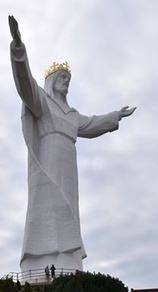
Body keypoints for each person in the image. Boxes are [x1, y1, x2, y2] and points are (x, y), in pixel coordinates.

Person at [8, 15, 135, 273]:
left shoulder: (72, 114)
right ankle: (42, 258)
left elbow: (92, 125)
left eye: (69, 79)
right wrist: (19, 49)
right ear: (53, 81)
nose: (67, 82)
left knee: (68, 206)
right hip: (49, 161)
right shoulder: (42, 102)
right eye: (63, 78)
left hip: (69, 163)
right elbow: (24, 84)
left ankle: (68, 260)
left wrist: (115, 116)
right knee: (47, 203)